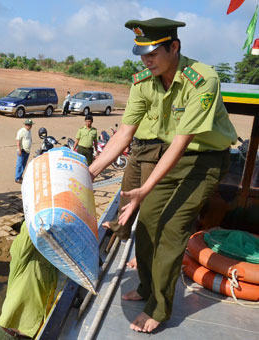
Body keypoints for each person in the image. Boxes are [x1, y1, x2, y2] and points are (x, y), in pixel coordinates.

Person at [88, 18, 237, 333]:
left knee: (171, 228)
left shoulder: (203, 80)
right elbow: (123, 134)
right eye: (142, 53)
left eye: (153, 52)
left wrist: (144, 189)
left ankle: (160, 307)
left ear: (175, 47)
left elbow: (182, 143)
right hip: (170, 157)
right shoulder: (143, 81)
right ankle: (145, 286)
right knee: (147, 222)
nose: (146, 59)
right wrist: (88, 172)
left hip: (205, 159)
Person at [0, 222, 58, 340]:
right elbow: (29, 229)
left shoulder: (54, 262)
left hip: (32, 335)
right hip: (8, 336)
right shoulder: (22, 257)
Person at [15, 119, 33, 184]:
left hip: (27, 151)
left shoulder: (29, 131)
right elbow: (18, 141)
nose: (29, 126)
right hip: (22, 150)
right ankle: (17, 178)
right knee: (19, 164)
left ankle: (20, 176)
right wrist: (19, 149)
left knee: (24, 164)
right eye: (28, 125)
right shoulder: (21, 131)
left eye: (30, 125)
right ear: (25, 125)